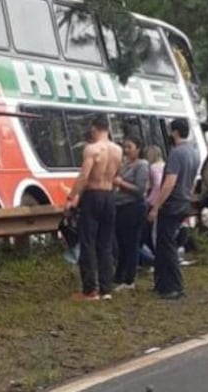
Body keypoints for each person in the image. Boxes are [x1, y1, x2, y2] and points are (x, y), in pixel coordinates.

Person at [65, 116, 121, 301]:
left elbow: (84, 176)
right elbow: (115, 176)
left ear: (95, 129)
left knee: (87, 242)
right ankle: (106, 288)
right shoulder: (117, 150)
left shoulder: (92, 149)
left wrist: (72, 197)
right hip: (109, 195)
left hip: (93, 195)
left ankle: (90, 289)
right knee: (105, 243)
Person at [148, 118, 200, 300]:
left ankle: (174, 286)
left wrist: (156, 206)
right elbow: (193, 180)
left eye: (171, 131)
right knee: (164, 244)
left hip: (172, 204)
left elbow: (169, 183)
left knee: (166, 244)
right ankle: (161, 283)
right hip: (184, 201)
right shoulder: (193, 153)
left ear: (176, 132)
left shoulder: (176, 153)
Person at [112, 136, 149, 291]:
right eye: (124, 147)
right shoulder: (124, 165)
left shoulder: (142, 165)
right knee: (121, 243)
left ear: (138, 149)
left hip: (133, 207)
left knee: (131, 243)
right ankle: (119, 276)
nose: (126, 151)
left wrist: (122, 184)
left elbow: (140, 190)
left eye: (129, 147)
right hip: (119, 206)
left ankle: (129, 279)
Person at [142, 145, 165, 253]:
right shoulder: (165, 165)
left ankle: (154, 253)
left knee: (149, 230)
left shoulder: (152, 168)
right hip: (164, 201)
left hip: (153, 200)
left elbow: (155, 184)